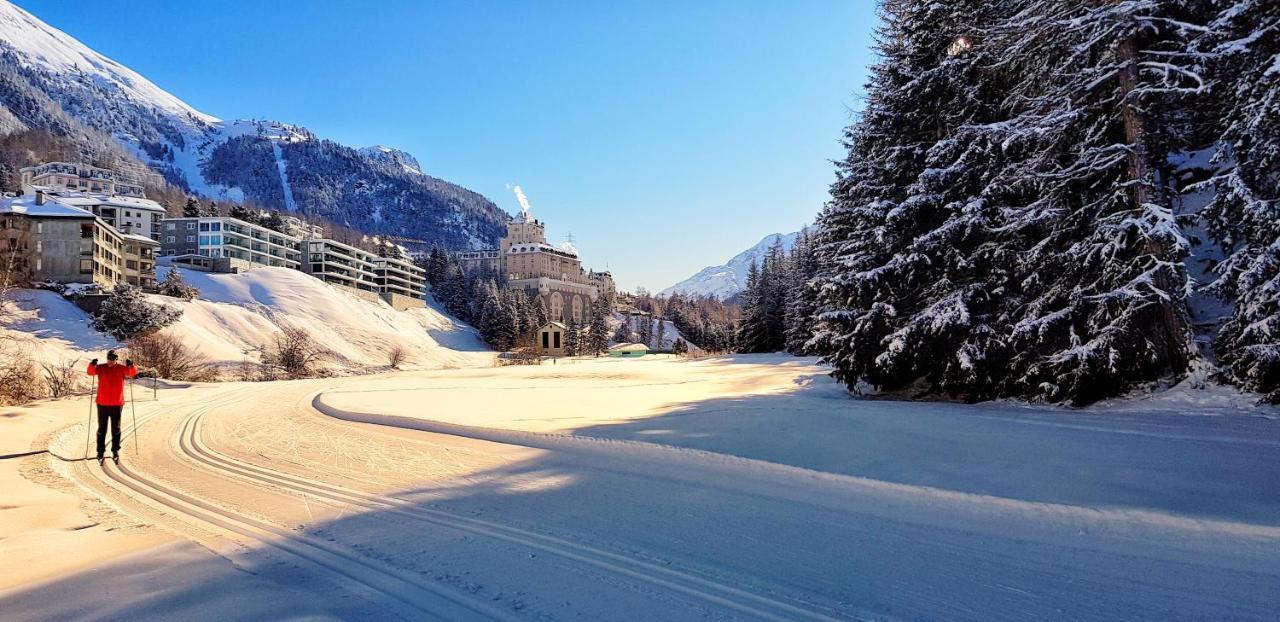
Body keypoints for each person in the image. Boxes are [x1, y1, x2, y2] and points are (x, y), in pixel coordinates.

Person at [87, 350, 137, 466]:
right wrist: (92, 364)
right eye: (109, 358)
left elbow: (132, 373)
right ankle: (100, 452)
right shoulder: (101, 368)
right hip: (102, 403)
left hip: (117, 404)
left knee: (116, 429)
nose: (110, 361)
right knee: (101, 430)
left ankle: (115, 451)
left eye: (113, 358)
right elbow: (90, 372)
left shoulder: (121, 368)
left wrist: (131, 365)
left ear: (116, 359)